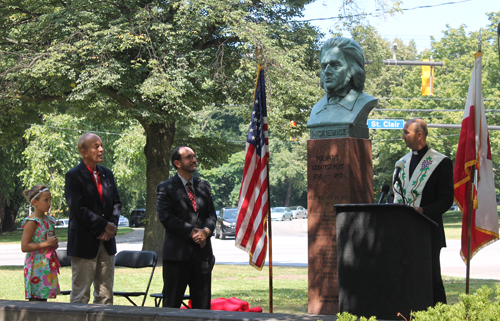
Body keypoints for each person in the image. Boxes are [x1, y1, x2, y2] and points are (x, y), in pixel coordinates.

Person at [392, 118, 454, 306]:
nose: (402, 136)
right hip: (403, 231)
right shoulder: (401, 163)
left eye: (406, 132)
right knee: (404, 277)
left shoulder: (440, 162)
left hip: (429, 230)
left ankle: (439, 315)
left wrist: (423, 210)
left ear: (419, 135)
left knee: (431, 278)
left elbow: (446, 199)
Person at [156, 146, 217, 309]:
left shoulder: (204, 186)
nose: (194, 160)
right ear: (177, 163)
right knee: (171, 305)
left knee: (203, 307)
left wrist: (205, 232)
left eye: (194, 156)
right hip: (177, 256)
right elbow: (166, 218)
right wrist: (192, 232)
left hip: (202, 255)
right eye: (189, 157)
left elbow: (211, 215)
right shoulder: (165, 188)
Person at [65, 133, 121, 305]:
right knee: (80, 294)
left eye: (101, 145)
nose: (101, 149)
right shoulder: (74, 175)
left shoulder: (107, 174)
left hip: (107, 242)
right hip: (84, 241)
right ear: (84, 151)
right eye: (96, 146)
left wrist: (111, 227)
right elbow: (78, 208)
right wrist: (104, 226)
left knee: (105, 295)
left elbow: (117, 203)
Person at [307, 37, 378, 138]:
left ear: (353, 69)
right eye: (324, 66)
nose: (326, 71)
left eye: (335, 65)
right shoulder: (316, 109)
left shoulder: (364, 102)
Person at [21, 184, 60, 301]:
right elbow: (24, 246)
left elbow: (52, 243)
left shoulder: (49, 221)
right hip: (36, 265)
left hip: (47, 263)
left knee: (44, 297)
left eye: (50, 200)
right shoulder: (32, 222)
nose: (49, 203)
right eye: (46, 200)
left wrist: (53, 244)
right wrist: (46, 244)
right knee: (36, 299)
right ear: (35, 202)